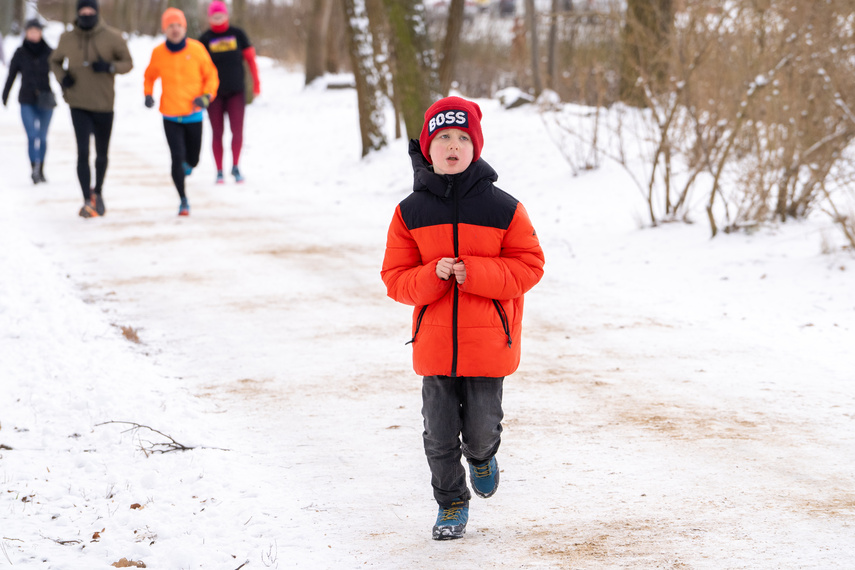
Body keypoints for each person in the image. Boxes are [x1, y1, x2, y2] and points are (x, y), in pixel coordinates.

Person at [381, 96, 545, 540]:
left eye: (461, 137)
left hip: (489, 346)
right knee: (437, 436)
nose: (452, 145)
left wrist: (477, 272)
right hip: (434, 347)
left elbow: (530, 265)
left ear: (476, 146)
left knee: (478, 431)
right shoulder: (409, 213)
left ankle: (482, 456)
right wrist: (431, 276)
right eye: (442, 138)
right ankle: (451, 503)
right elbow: (395, 279)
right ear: (428, 150)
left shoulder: (504, 208)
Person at [50, 0, 133, 218]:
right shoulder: (67, 38)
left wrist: (110, 67)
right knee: (83, 152)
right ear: (78, 13)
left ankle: (99, 192)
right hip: (77, 103)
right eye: (82, 11)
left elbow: (128, 63)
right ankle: (87, 198)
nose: (86, 14)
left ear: (96, 12)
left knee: (102, 154)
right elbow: (55, 61)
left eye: (90, 10)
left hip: (104, 104)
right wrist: (63, 78)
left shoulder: (113, 36)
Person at [144, 8, 219, 216]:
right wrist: (148, 94)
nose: (174, 29)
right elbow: (149, 76)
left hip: (193, 113)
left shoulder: (197, 50)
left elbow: (211, 76)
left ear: (184, 27)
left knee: (193, 159)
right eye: (170, 26)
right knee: (177, 157)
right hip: (170, 114)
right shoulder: (158, 53)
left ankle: (189, 165)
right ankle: (183, 200)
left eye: (178, 25)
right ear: (165, 29)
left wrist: (206, 96)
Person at [198, 0, 261, 184]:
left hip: (236, 91)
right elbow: (198, 69)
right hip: (213, 95)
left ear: (227, 15)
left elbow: (251, 60)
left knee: (237, 131)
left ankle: (235, 166)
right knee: (217, 132)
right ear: (209, 17)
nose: (218, 19)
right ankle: (219, 170)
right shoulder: (205, 39)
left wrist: (257, 84)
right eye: (214, 16)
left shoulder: (238, 34)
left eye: (221, 15)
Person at [2, 19, 55, 184]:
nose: (33, 34)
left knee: (43, 137)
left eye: (36, 31)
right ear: (26, 32)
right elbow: (11, 75)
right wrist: (5, 94)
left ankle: (42, 168)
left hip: (45, 100)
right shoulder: (20, 53)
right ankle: (34, 169)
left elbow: (60, 73)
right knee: (32, 136)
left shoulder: (49, 52)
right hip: (27, 99)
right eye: (30, 31)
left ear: (40, 32)